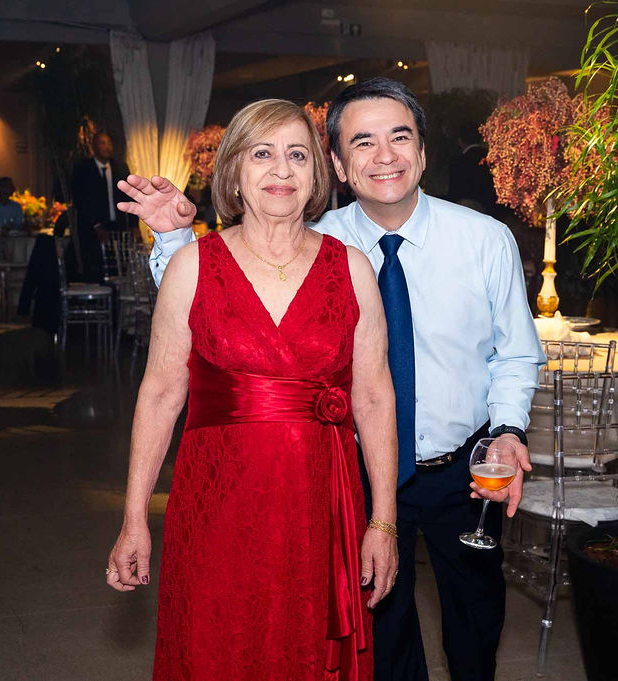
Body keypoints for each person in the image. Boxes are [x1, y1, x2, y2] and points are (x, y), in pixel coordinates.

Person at [134, 78, 545, 681]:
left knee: (474, 633)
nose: (384, 156)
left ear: (422, 151)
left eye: (399, 137)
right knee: (382, 643)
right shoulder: (317, 235)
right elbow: (227, 302)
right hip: (352, 473)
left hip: (461, 471)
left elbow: (515, 353)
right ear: (339, 164)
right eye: (363, 142)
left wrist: (508, 429)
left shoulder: (484, 239)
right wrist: (174, 238)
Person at [106, 99, 399, 681]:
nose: (281, 170)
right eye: (262, 154)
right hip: (217, 509)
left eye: (298, 155)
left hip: (320, 512)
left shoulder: (352, 269)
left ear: (317, 174)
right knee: (215, 648)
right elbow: (160, 394)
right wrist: (134, 516)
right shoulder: (192, 267)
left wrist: (383, 522)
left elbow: (373, 398)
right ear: (235, 171)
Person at [71, 131, 136, 281]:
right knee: (96, 270)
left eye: (109, 143)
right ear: (94, 146)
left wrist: (134, 225)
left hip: (118, 227)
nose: (107, 147)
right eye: (102, 143)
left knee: (119, 269)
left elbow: (130, 196)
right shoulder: (82, 169)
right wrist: (97, 225)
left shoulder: (121, 168)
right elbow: (80, 200)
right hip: (92, 229)